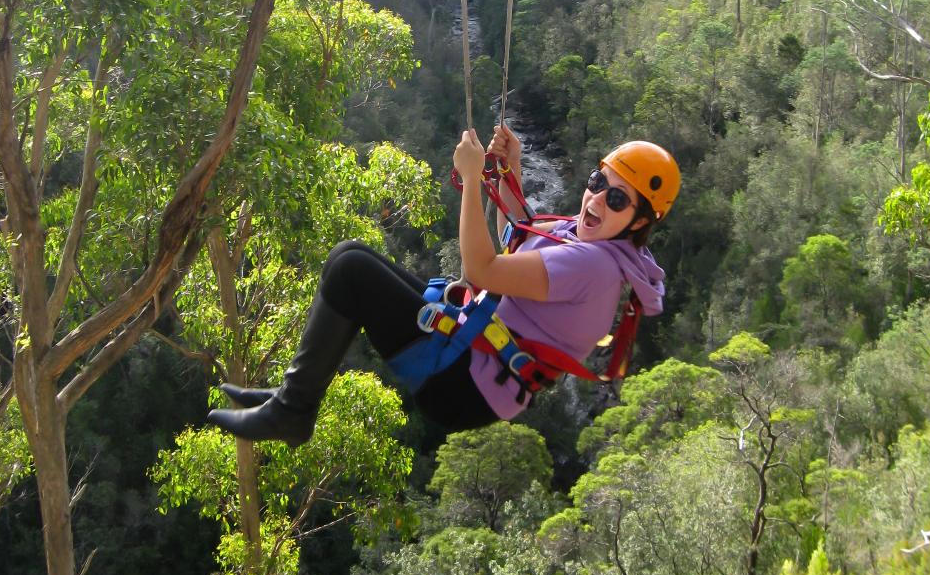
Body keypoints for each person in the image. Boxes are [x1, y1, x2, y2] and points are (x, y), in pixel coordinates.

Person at [208, 125, 679, 445]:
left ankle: (292, 411)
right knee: (349, 256)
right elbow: (520, 237)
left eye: (616, 198)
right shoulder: (592, 240)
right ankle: (292, 397)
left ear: (639, 221)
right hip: (473, 353)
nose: (596, 198)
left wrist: (473, 178)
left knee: (352, 274)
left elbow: (483, 270)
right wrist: (509, 169)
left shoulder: (595, 267)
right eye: (599, 181)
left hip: (462, 386)